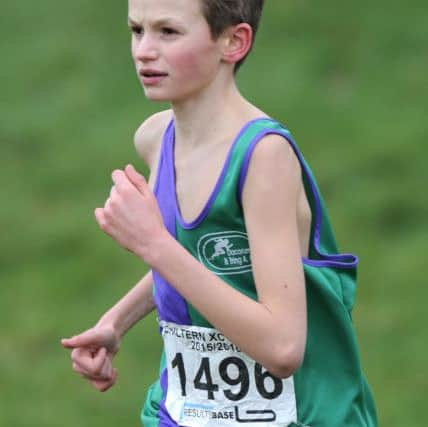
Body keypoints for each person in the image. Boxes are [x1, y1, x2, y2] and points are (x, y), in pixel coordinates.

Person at [61, 0, 378, 426]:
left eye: (168, 32)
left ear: (234, 41)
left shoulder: (263, 157)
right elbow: (201, 257)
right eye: (137, 30)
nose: (143, 50)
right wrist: (117, 321)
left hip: (297, 416)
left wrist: (154, 245)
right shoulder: (156, 138)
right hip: (184, 412)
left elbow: (283, 348)